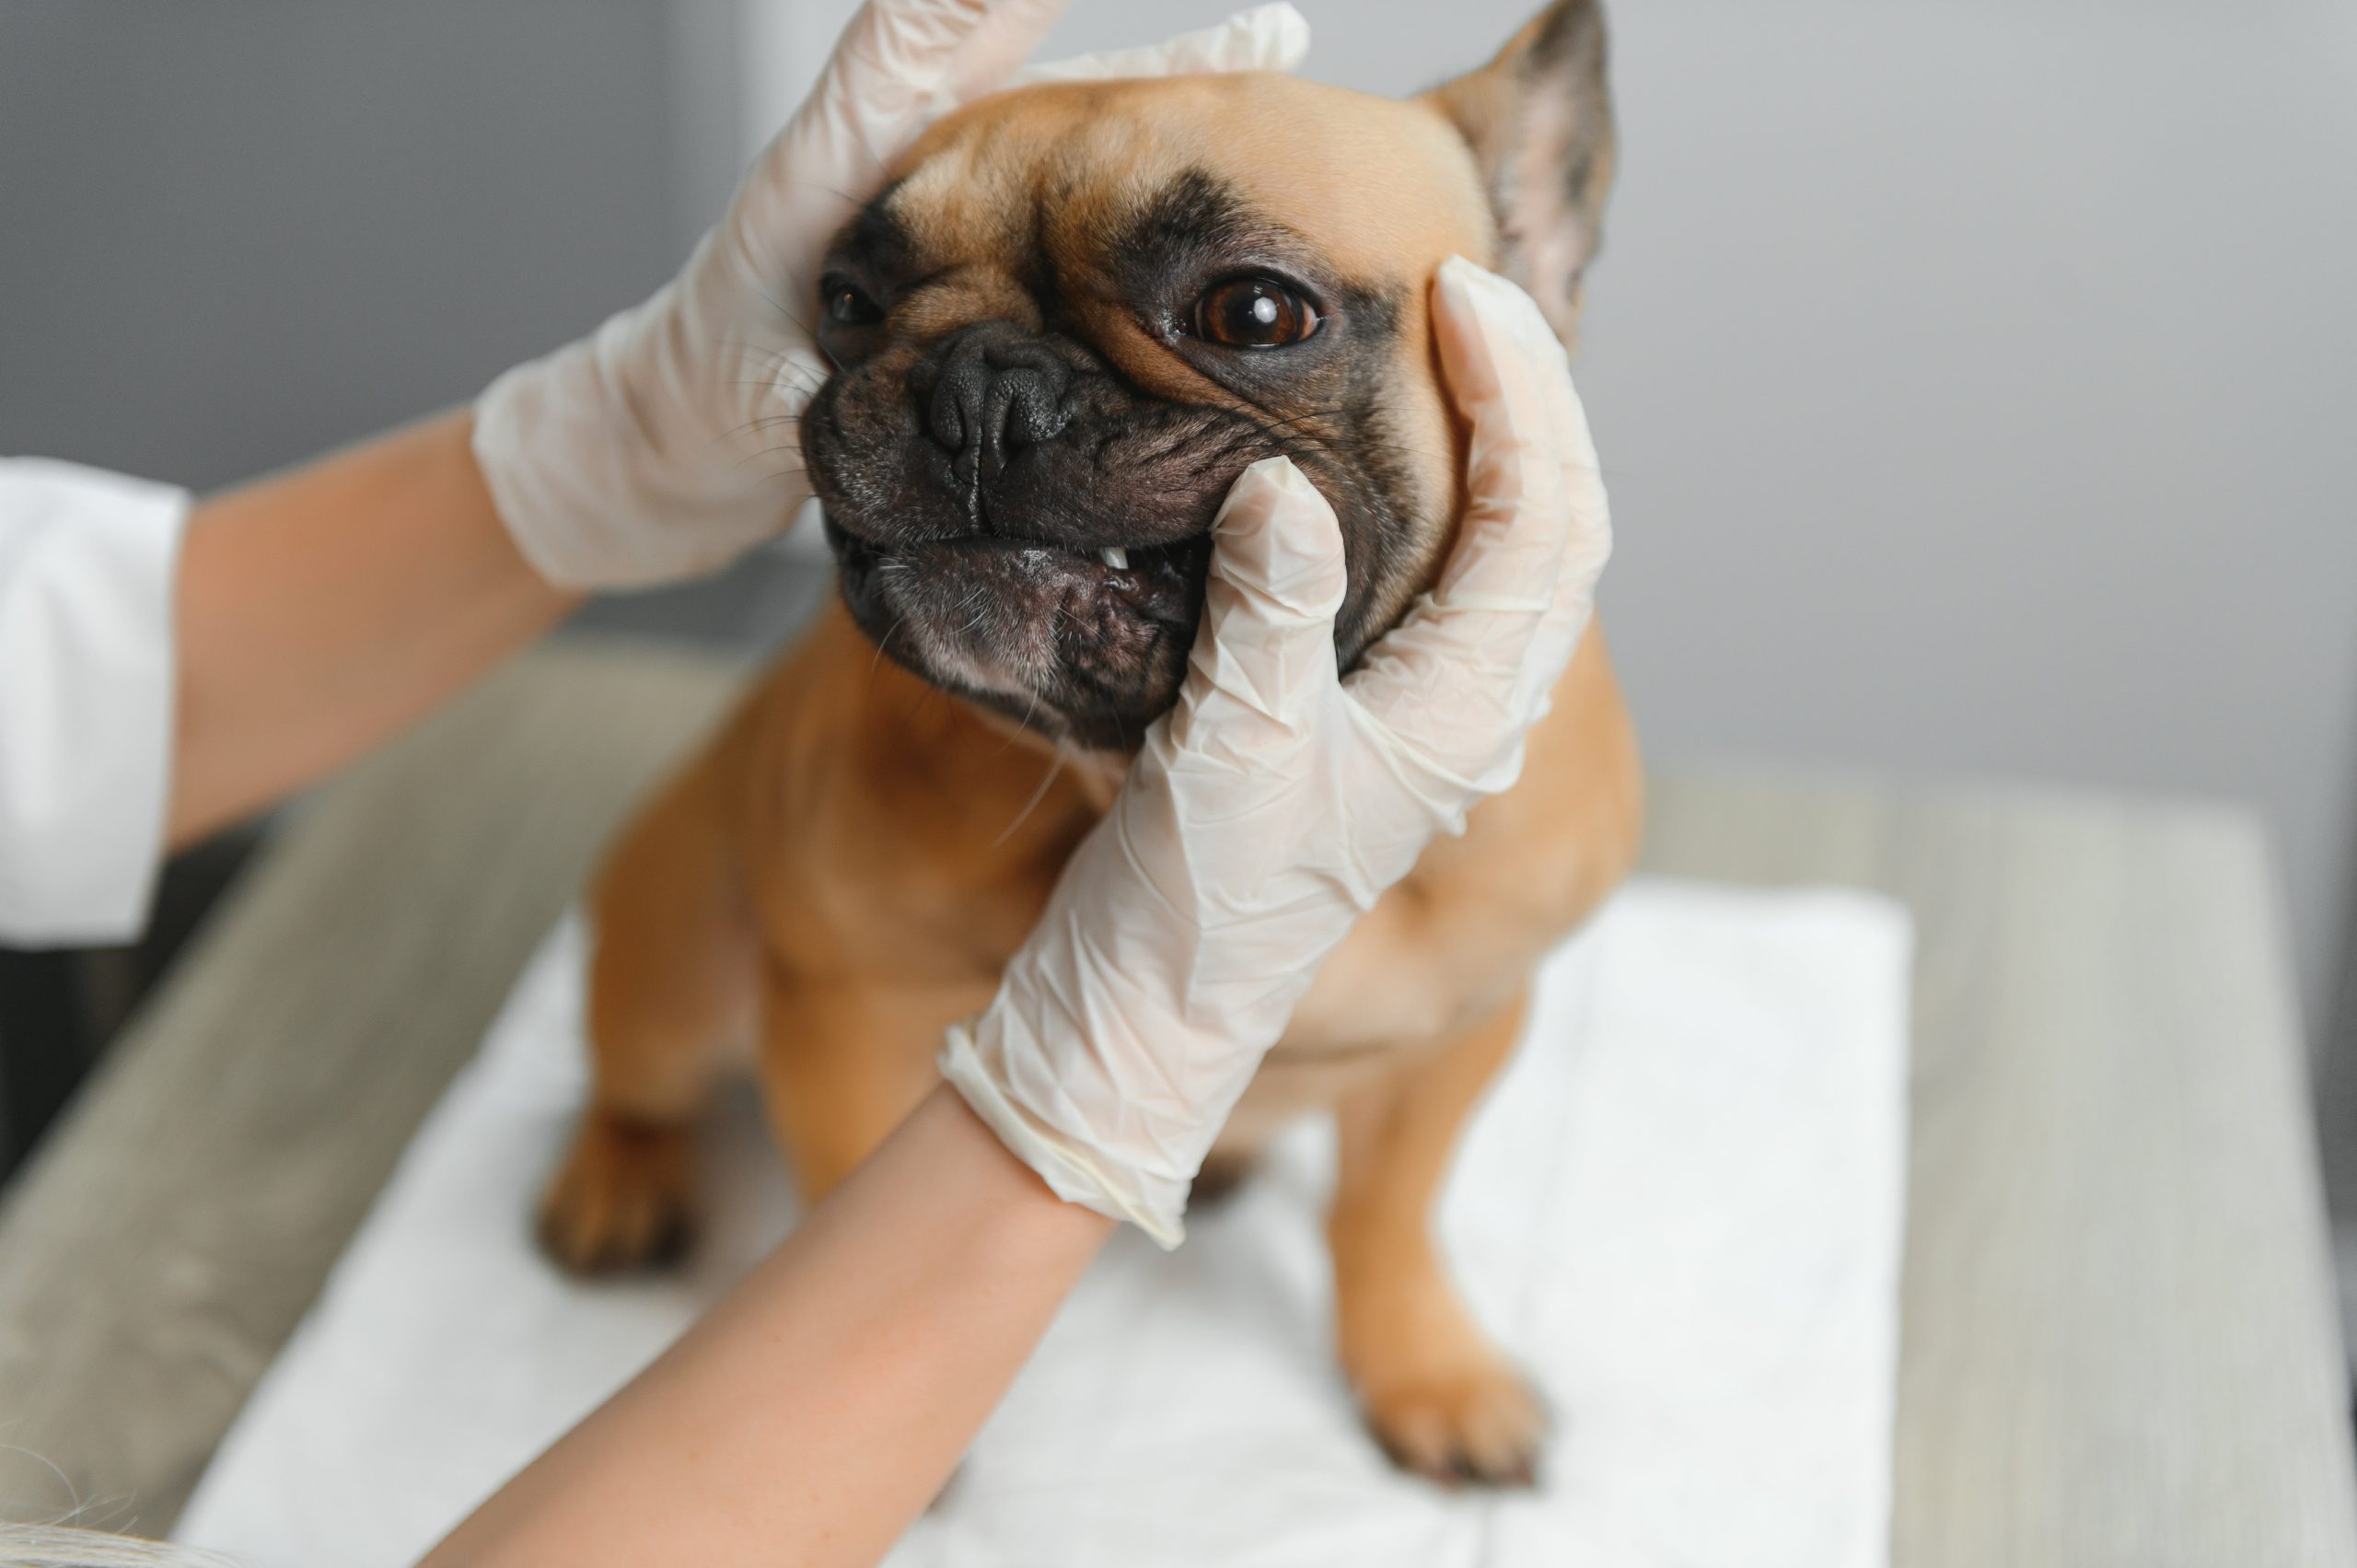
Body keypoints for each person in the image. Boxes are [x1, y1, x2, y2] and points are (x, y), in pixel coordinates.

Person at [0, 3, 1613, 1565]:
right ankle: (633, 1115)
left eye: (1251, 317)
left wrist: (568, 472)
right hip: (846, 967)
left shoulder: (1545, 816)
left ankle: (1387, 1273)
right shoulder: (875, 767)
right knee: (676, 990)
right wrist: (1069, 1104)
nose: (991, 413)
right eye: (871, 308)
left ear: (1530, 249)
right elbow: (830, 1002)